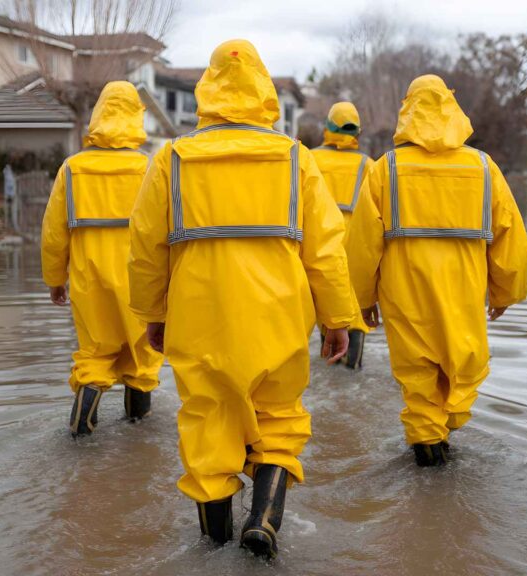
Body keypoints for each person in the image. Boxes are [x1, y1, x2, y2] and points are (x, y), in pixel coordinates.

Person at [128, 39, 355, 559]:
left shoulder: (172, 159)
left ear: (207, 86)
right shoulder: (295, 158)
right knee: (279, 417)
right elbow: (326, 250)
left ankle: (213, 547)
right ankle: (264, 521)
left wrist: (153, 314)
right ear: (263, 87)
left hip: (199, 316)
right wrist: (337, 318)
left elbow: (145, 248)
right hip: (280, 316)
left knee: (208, 422)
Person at [346, 75, 527, 467]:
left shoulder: (385, 170)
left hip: (405, 296)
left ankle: (429, 453)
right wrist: (504, 292)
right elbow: (511, 238)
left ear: (407, 110)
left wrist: (362, 301)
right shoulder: (483, 168)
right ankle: (440, 447)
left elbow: (361, 247)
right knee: (462, 369)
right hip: (464, 294)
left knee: (418, 379)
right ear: (452, 107)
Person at [41, 81, 163, 438]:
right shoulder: (150, 168)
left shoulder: (72, 169)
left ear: (98, 114)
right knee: (143, 355)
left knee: (95, 352)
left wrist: (54, 280)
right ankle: (139, 434)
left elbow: (53, 233)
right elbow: (166, 230)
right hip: (140, 279)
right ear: (136, 116)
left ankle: (81, 429)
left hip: (89, 279)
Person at [310, 102, 373, 369]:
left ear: (328, 127)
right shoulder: (367, 164)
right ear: (357, 131)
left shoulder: (309, 158)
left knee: (323, 291)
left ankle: (329, 350)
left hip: (319, 231)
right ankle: (352, 363)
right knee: (353, 297)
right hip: (354, 233)